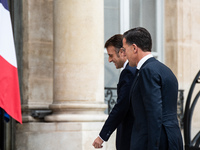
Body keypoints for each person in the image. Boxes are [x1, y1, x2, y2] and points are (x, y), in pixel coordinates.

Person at [122, 27, 183, 150]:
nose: (124, 54)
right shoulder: (165, 70)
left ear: (134, 48)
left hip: (154, 142)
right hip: (172, 138)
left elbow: (154, 113)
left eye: (124, 49)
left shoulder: (147, 71)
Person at [92, 34, 136, 149]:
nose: (109, 60)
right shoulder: (134, 69)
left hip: (131, 136)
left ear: (122, 52)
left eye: (111, 55)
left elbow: (121, 106)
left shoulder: (129, 72)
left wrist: (102, 136)